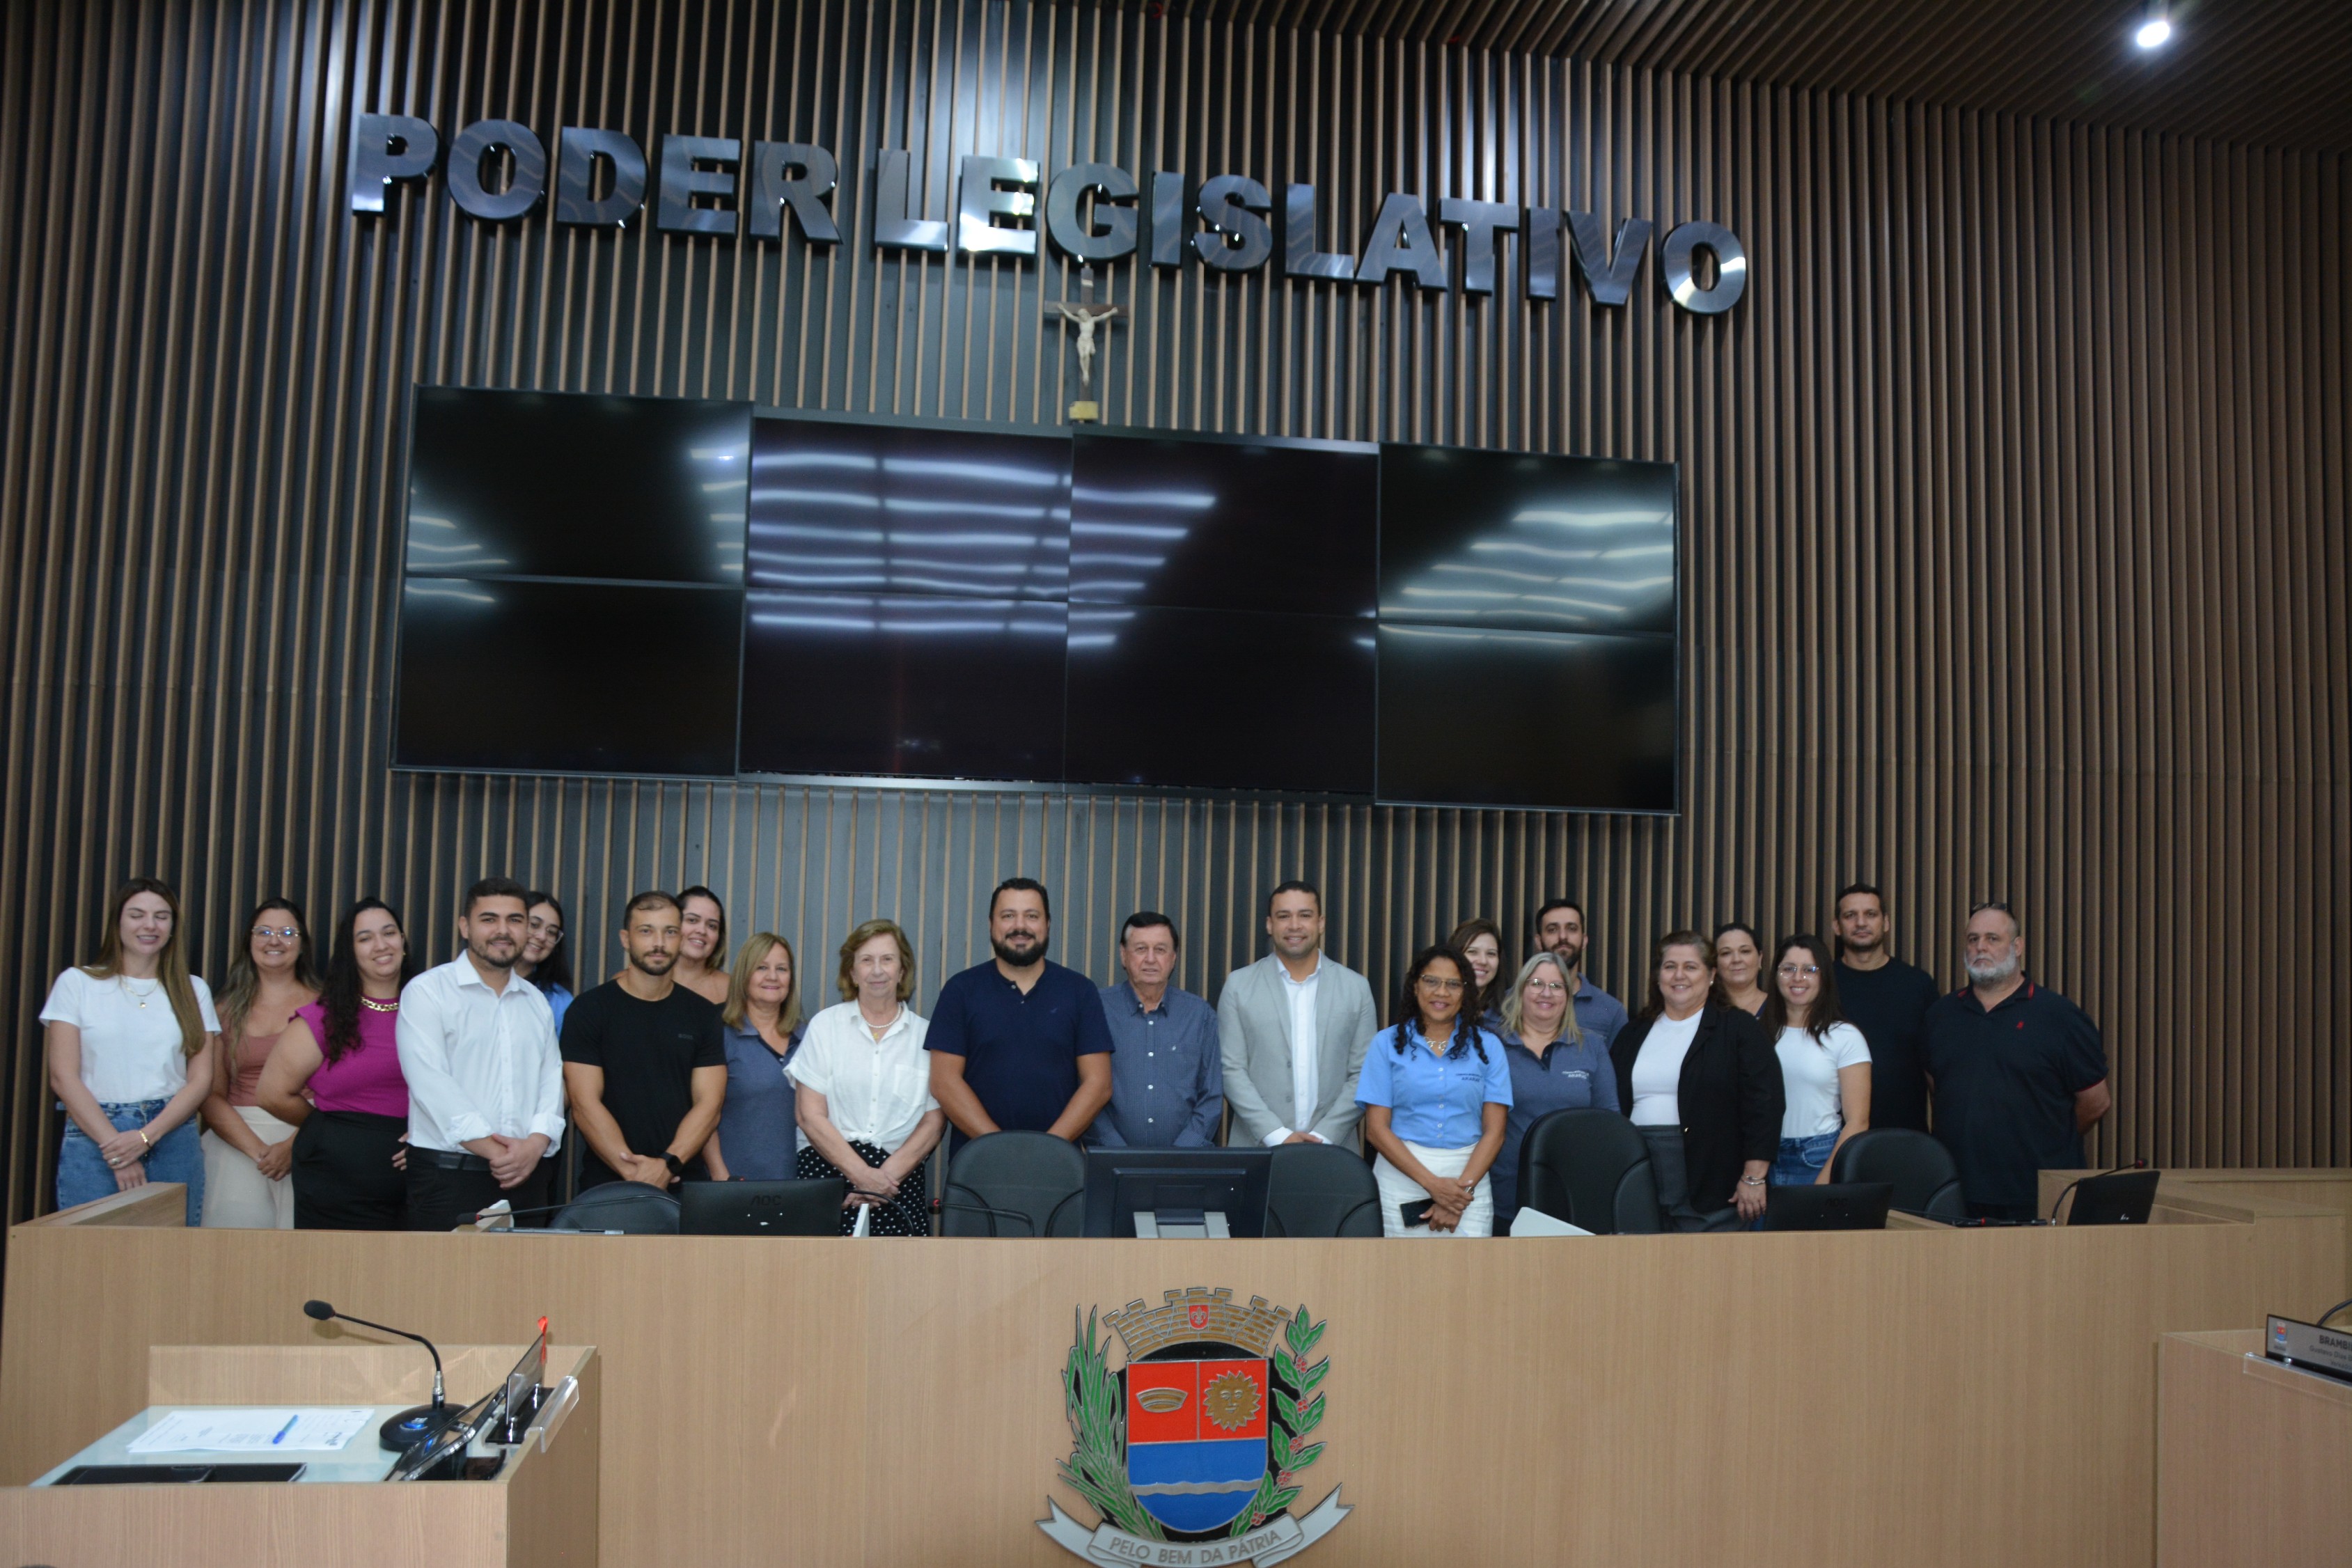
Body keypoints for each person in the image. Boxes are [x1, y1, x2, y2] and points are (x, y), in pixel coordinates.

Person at [42, 877, 221, 1223]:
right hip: (95, 1135)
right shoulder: (77, 983)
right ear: (118, 923)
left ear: (173, 926)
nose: (149, 925)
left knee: (171, 1250)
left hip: (171, 1134)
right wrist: (117, 1150)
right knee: (91, 1251)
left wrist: (145, 1137)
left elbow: (201, 1080)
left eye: (161, 917)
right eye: (137, 915)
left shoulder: (193, 989)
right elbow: (63, 1077)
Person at [395, 876, 566, 1230]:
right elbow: (431, 1084)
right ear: (465, 926)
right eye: (489, 919)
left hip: (528, 1176)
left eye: (515, 920)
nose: (503, 930)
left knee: (527, 1270)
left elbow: (551, 1082)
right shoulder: (427, 992)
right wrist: (499, 1152)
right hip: (448, 1178)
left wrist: (535, 1145)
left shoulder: (536, 1002)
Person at [1922, 902, 2110, 1221]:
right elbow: (1936, 1089)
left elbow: (2096, 1102)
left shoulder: (2060, 1016)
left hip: (2035, 1192)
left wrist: (2050, 1137)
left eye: (1993, 938)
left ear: (2018, 946)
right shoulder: (1940, 1016)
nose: (1980, 947)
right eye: (1973, 939)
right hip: (1957, 1191)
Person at [257, 897, 418, 1230]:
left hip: (421, 1180)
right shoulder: (324, 1017)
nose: (381, 945)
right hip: (334, 1185)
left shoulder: (433, 1009)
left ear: (403, 941)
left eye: (389, 933)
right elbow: (272, 1093)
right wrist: (335, 1129)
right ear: (350, 951)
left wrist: (429, 1134)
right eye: (365, 938)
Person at [1608, 930, 1783, 1230]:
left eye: (1690, 967)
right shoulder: (1633, 1033)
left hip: (1711, 1175)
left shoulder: (1738, 1028)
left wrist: (1754, 1177)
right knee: (1641, 1252)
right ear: (1658, 975)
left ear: (1712, 975)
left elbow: (1765, 1104)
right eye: (1670, 966)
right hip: (1636, 1165)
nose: (1679, 975)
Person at [927, 879, 1113, 1151]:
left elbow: (1098, 1084)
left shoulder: (1079, 991)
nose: (1020, 926)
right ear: (991, 924)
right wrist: (1001, 1148)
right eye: (1008, 916)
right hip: (978, 1161)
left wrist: (1048, 1149)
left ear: (1048, 924)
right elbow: (944, 1083)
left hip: (1058, 1162)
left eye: (1032, 916)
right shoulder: (960, 990)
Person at [561, 891, 727, 1191]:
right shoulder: (589, 1010)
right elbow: (584, 1103)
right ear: (626, 939)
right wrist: (633, 1171)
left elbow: (709, 1105)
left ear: (680, 939)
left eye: (670, 932)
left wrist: (667, 1165)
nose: (659, 943)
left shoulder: (703, 1015)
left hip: (683, 1182)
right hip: (608, 1183)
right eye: (646, 931)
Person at [790, 920, 946, 1234]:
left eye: (887, 959)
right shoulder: (825, 1027)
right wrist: (861, 1175)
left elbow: (934, 1121)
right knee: (819, 1267)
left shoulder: (927, 1036)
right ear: (852, 972)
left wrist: (883, 1180)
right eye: (866, 960)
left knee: (897, 1268)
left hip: (898, 1183)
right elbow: (809, 1115)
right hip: (828, 1177)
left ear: (902, 971)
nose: (877, 970)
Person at [1357, 946, 1512, 1237]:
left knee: (1470, 1268)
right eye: (1431, 981)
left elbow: (1496, 1132)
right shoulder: (1385, 1044)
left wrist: (1458, 1196)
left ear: (1465, 992)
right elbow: (1376, 1130)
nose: (1441, 992)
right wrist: (1434, 1186)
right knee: (1398, 1267)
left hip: (1469, 1183)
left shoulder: (1489, 1046)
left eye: (1453, 984)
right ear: (1416, 986)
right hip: (1401, 1179)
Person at [1217, 880, 1380, 1150]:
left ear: (1321, 923)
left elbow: (1364, 1072)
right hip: (1258, 1149)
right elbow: (1230, 1069)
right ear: (1270, 925)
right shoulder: (1239, 985)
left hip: (1333, 1151)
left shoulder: (1356, 988)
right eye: (1284, 916)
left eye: (1305, 915)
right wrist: (1277, 1134)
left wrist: (1325, 1136)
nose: (1295, 925)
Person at [198, 897, 322, 1228]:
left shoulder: (328, 1006)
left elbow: (341, 1093)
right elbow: (211, 1096)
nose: (274, 941)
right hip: (238, 1143)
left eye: (287, 932)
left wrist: (292, 1147)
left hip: (309, 1137)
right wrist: (259, 1153)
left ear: (302, 943)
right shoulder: (222, 1010)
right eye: (264, 932)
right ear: (249, 941)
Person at [1490, 952, 1620, 1233]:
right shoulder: (1494, 1046)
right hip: (1507, 1192)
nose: (1546, 993)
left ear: (1568, 995)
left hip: (1574, 1190)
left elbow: (1609, 1123)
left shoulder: (1591, 1047)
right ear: (1521, 990)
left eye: (1556, 986)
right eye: (1536, 984)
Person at [1090, 913, 1223, 1147]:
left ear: (1173, 957)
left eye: (1160, 950)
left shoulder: (1200, 1016)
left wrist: (1181, 1154)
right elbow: (1084, 1089)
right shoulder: (1096, 1010)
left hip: (1187, 1162)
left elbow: (1211, 1096)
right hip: (1111, 1160)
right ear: (1123, 955)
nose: (1150, 959)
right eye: (1141, 949)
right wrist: (1115, 1152)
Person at [1759, 934, 1871, 1187]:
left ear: (1824, 977)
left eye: (1809, 970)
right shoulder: (1757, 1033)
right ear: (1775, 975)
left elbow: (1858, 1121)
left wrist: (1826, 1181)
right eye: (1788, 969)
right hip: (1763, 1159)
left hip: (1819, 1157)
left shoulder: (1845, 1036)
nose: (1798, 978)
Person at [1832, 881, 1940, 1133]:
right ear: (1837, 926)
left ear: (1886, 922)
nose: (1861, 923)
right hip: (1834, 1140)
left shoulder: (1918, 985)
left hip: (1906, 1136)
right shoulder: (1822, 985)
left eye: (1870, 914)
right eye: (1850, 915)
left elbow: (1935, 1069)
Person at [705, 932, 806, 1181]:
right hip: (734, 1183)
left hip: (800, 1185)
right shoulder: (720, 1035)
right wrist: (721, 1178)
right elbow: (703, 1113)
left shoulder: (810, 1037)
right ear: (744, 975)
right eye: (762, 967)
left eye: (781, 969)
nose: (773, 976)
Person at [1532, 899, 1631, 1056]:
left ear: (1584, 941)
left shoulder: (1611, 1011)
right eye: (1552, 930)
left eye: (1572, 929)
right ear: (1539, 941)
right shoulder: (1511, 1005)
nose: (1563, 937)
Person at [516, 892, 575, 1033]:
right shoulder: (478, 982)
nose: (542, 937)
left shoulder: (560, 1000)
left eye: (552, 932)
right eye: (534, 925)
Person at [673, 885, 731, 1005]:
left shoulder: (733, 989)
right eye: (692, 920)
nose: (702, 931)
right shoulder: (645, 981)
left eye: (712, 926)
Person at [1445, 918, 1507, 1028]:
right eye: (1472, 952)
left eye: (1491, 954)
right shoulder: (1436, 1010)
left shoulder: (1510, 1017)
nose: (1483, 961)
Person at [1713, 922, 1768, 1017]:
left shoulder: (1781, 1008)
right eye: (1726, 953)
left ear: (1760, 958)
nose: (1736, 960)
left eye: (1745, 951)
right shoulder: (1702, 1010)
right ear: (1715, 963)